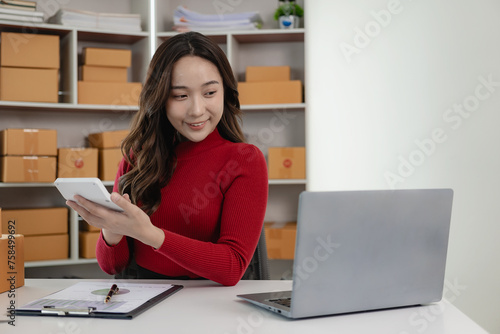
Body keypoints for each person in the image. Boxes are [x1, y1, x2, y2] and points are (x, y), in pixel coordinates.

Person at [67, 32, 268, 286]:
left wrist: (149, 234)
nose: (197, 110)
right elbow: (111, 266)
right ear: (160, 98)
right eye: (180, 96)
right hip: (145, 301)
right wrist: (111, 228)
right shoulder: (138, 156)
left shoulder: (244, 160)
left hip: (210, 303)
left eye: (209, 93)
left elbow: (232, 266)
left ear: (225, 92)